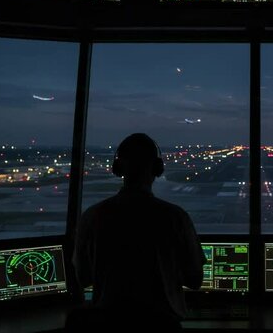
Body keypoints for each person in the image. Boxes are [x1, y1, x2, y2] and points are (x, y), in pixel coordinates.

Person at [70, 133, 205, 332]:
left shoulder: (91, 217)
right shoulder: (176, 217)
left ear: (118, 169)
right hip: (162, 325)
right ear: (157, 169)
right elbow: (195, 280)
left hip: (107, 325)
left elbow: (82, 278)